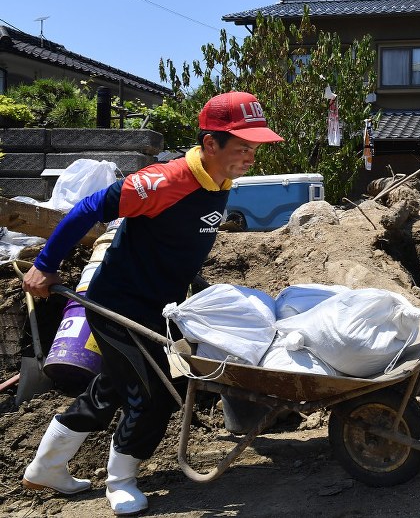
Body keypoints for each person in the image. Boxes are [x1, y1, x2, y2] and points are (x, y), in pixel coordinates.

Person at [21, 91, 283, 515]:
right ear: (210, 143)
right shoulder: (165, 180)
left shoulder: (219, 180)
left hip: (160, 303)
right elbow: (91, 206)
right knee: (154, 393)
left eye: (254, 147)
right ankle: (121, 481)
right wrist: (46, 263)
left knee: (110, 388)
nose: (250, 156)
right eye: (242, 147)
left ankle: (46, 466)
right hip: (119, 303)